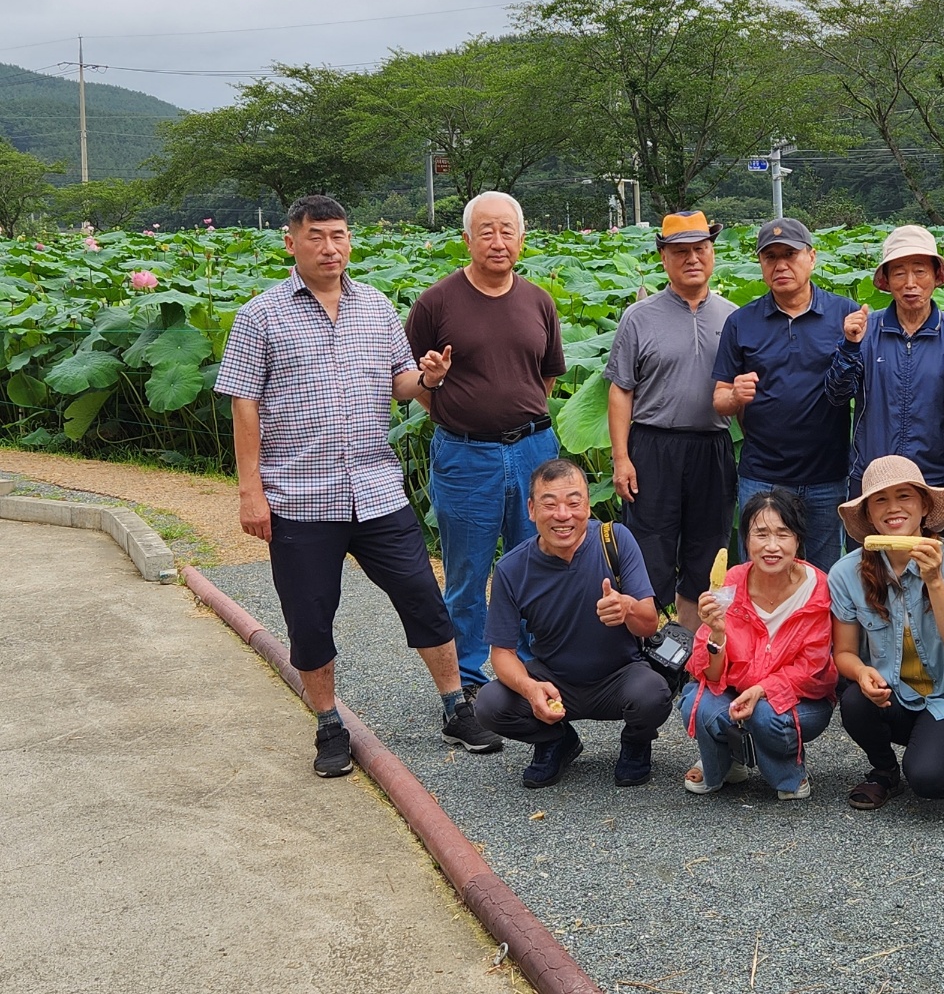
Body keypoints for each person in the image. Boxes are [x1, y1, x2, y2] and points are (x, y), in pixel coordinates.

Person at [216, 194, 503, 778]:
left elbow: (401, 383)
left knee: (424, 598)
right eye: (316, 236)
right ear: (291, 243)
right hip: (300, 495)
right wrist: (251, 491)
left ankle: (455, 705)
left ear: (350, 240)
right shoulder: (260, 315)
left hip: (376, 488)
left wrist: (428, 378)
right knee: (310, 616)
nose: (330, 248)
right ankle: (328, 724)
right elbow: (244, 405)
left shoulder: (375, 305)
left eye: (339, 235)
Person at [405, 190, 565, 697]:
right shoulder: (435, 302)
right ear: (467, 238)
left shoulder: (539, 301)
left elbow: (545, 379)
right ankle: (469, 679)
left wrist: (513, 416)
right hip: (466, 453)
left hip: (534, 450)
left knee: (536, 562)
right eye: (486, 231)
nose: (498, 241)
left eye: (507, 231)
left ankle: (529, 670)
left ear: (521, 237)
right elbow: (411, 378)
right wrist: (452, 407)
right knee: (468, 572)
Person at [473, 459, 671, 789]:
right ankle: (555, 740)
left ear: (588, 506)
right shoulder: (511, 569)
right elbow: (502, 653)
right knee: (489, 705)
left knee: (653, 694)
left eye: (574, 503)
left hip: (619, 676)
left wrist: (627, 608)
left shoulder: (615, 540)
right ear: (531, 509)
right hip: (554, 681)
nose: (563, 515)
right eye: (550, 504)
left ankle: (637, 741)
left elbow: (649, 625)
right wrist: (530, 689)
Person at [828, 456, 944, 809]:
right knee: (854, 700)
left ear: (924, 506)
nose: (893, 508)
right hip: (893, 696)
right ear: (869, 514)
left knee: (929, 780)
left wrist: (935, 580)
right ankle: (884, 771)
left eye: (905, 496)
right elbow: (844, 652)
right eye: (880, 500)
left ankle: (941, 755)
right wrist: (861, 672)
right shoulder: (845, 573)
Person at [604, 211, 737, 632]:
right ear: (664, 258)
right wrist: (621, 458)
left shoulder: (734, 317)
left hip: (713, 447)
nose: (692, 259)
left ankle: (692, 649)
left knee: (707, 551)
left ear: (712, 253)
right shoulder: (638, 317)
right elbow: (621, 390)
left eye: (700, 249)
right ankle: (644, 648)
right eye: (681, 252)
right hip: (653, 446)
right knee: (649, 550)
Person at [713, 218, 860, 572]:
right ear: (761, 264)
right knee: (761, 574)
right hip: (762, 475)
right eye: (770, 257)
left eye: (790, 255)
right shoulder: (741, 322)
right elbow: (719, 399)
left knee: (824, 577)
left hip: (828, 475)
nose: (780, 265)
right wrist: (735, 396)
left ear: (812, 257)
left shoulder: (845, 314)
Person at [679, 489, 837, 799]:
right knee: (698, 704)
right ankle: (726, 763)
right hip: (737, 691)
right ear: (746, 540)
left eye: (783, 534)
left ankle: (788, 773)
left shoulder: (818, 588)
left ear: (798, 540)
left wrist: (762, 689)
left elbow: (812, 668)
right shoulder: (730, 583)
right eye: (761, 534)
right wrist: (716, 634)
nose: (771, 546)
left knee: (764, 714)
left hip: (800, 700)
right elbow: (709, 675)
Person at [824, 224, 944, 499]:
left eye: (920, 271)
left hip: (933, 479)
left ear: (936, 276)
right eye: (899, 273)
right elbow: (837, 395)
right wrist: (849, 346)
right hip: (871, 478)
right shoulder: (865, 330)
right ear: (886, 280)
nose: (910, 283)